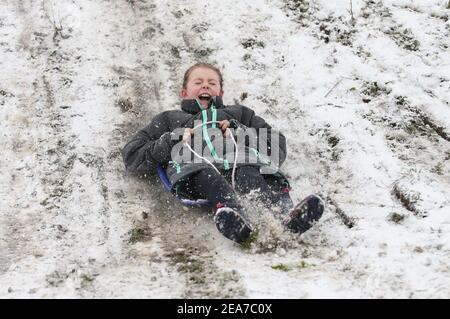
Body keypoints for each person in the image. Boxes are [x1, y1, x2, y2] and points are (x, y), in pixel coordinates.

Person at [122, 63, 324, 243]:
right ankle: (234, 216)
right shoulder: (169, 119)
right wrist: (173, 138)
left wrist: (239, 133)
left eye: (212, 83)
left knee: (248, 173)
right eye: (198, 82)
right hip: (194, 168)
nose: (205, 86)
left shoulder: (240, 114)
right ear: (184, 93)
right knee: (208, 176)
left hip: (240, 161)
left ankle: (280, 216)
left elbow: (276, 145)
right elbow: (133, 154)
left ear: (221, 92)